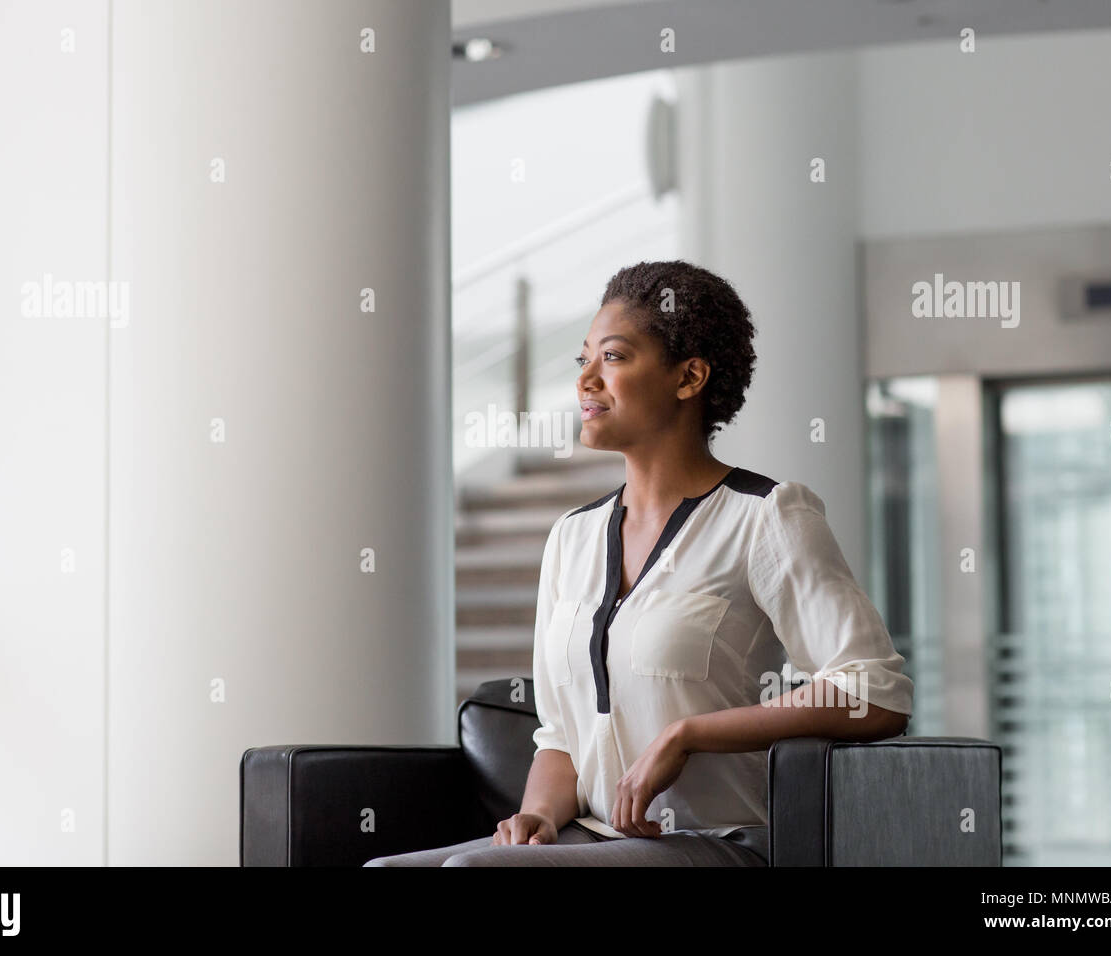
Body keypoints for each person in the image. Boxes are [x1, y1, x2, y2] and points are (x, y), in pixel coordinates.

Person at [365, 260, 913, 867]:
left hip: (718, 843)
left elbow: (875, 690)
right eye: (583, 361)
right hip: (590, 837)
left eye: (615, 357)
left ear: (689, 377)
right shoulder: (570, 538)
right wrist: (541, 814)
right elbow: (559, 735)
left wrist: (689, 735)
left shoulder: (767, 517)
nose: (586, 381)